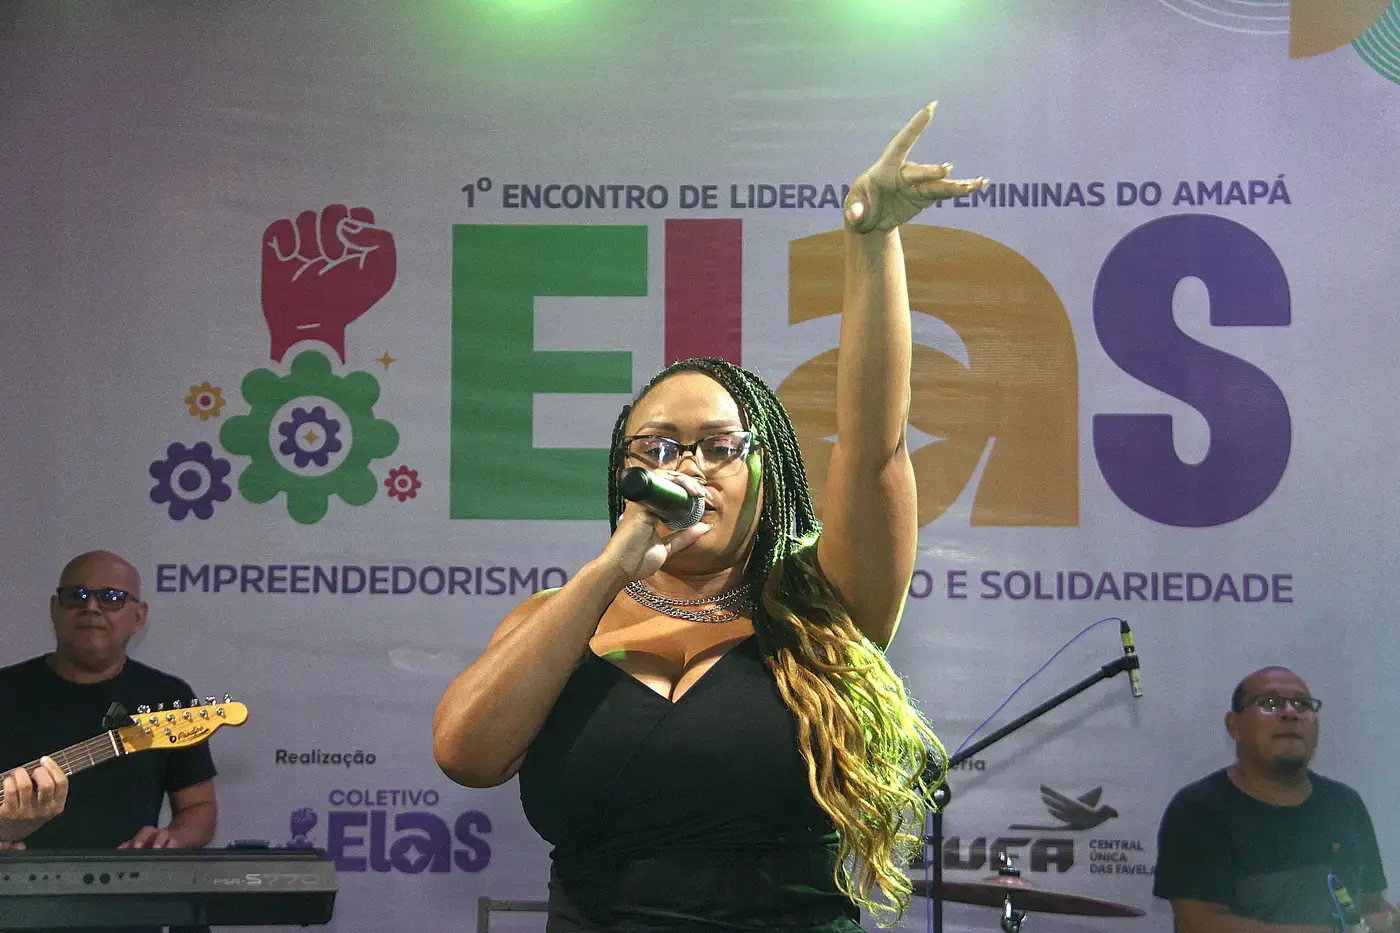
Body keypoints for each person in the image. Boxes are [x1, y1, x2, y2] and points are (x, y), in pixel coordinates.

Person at [434, 104, 985, 931]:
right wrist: (611, 571)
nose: (687, 465)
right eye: (657, 446)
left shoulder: (822, 606)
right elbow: (465, 753)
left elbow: (876, 448)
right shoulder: (561, 619)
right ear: (623, 475)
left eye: (719, 446)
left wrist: (871, 243)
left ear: (768, 473)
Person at [0, 550, 218, 852]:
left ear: (138, 617)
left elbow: (199, 807)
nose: (91, 607)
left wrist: (174, 838)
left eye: (111, 598)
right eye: (76, 596)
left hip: (128, 879)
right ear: (54, 609)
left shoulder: (168, 696)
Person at [1154, 666, 1395, 933]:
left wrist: (1388, 921)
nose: (1290, 713)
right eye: (1270, 703)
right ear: (1234, 726)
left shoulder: (1346, 804)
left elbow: (1370, 907)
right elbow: (1200, 924)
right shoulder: (1199, 809)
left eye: (1302, 704)